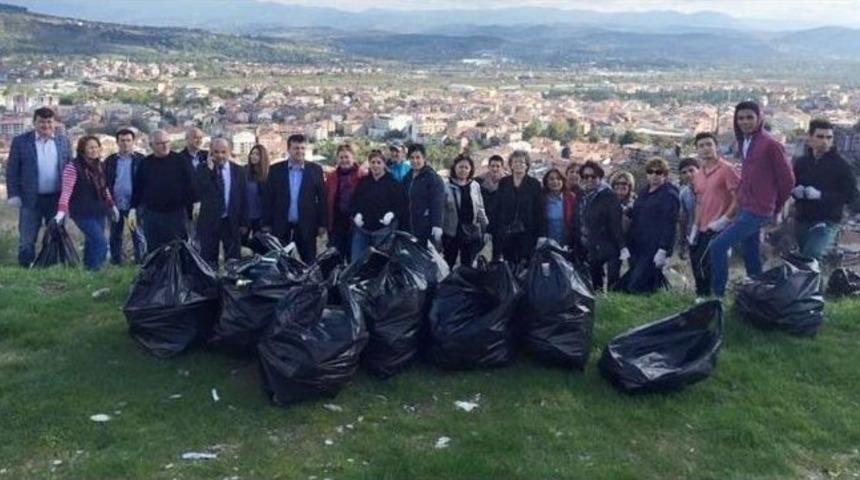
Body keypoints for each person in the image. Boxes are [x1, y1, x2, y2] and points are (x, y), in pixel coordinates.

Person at [709, 101, 795, 297]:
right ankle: (758, 295)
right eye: (740, 118)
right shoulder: (745, 142)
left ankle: (717, 296)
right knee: (751, 252)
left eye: (749, 117)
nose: (745, 122)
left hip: (759, 209)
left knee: (718, 246)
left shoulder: (771, 144)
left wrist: (776, 206)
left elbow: (788, 180)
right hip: (748, 206)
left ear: (759, 118)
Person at [5, 107, 73, 267]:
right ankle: (25, 268)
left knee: (56, 236)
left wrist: (70, 195)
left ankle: (49, 268)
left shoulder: (63, 141)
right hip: (30, 200)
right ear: (34, 122)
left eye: (49, 121)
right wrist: (13, 194)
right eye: (41, 122)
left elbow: (70, 169)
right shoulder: (21, 142)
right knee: (27, 239)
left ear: (54, 123)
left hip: (57, 199)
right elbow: (12, 170)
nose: (45, 125)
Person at [792, 119, 860, 259]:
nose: (825, 141)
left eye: (829, 137)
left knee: (811, 255)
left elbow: (851, 195)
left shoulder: (841, 166)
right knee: (804, 260)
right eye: (820, 136)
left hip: (827, 220)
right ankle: (820, 281)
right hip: (803, 218)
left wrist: (820, 195)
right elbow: (790, 184)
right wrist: (794, 192)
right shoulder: (801, 163)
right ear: (810, 138)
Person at [55, 136, 119, 271]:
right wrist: (61, 211)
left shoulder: (100, 166)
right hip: (81, 212)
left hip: (99, 210)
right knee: (100, 242)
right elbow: (66, 191)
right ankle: (96, 270)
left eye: (96, 147)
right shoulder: (73, 167)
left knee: (91, 242)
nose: (94, 150)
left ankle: (87, 271)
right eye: (90, 147)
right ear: (82, 149)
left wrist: (112, 205)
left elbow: (104, 189)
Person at [127, 130, 197, 253]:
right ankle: (157, 272)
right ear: (151, 145)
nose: (165, 146)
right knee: (155, 249)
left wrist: (196, 202)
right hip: (153, 215)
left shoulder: (180, 160)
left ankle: (179, 272)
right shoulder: (145, 163)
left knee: (179, 247)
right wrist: (133, 209)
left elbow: (191, 184)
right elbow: (138, 188)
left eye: (167, 142)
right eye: (160, 143)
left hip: (176, 213)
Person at [262, 134, 327, 263]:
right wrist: (266, 223)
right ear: (289, 149)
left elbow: (322, 199)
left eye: (303, 148)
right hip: (281, 225)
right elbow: (268, 198)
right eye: (296, 148)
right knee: (280, 262)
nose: (300, 152)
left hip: (307, 225)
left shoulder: (315, 170)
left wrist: (322, 224)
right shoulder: (276, 170)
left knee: (309, 263)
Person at [690, 132, 740, 298]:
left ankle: (708, 296)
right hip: (703, 225)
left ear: (716, 147)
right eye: (701, 146)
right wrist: (695, 226)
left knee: (703, 260)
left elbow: (738, 197)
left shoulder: (727, 169)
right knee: (696, 260)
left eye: (709, 144)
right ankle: (703, 296)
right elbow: (699, 201)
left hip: (720, 226)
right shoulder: (698, 175)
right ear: (696, 149)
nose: (705, 149)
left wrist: (724, 219)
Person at [622, 158, 680, 294]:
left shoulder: (669, 195)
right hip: (636, 245)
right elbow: (637, 211)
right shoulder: (645, 191)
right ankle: (657, 301)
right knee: (644, 282)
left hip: (653, 248)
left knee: (635, 285)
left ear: (665, 175)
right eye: (650, 171)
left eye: (658, 172)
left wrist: (663, 249)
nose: (654, 175)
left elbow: (670, 224)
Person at [572, 161, 625, 291]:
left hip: (608, 245)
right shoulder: (581, 195)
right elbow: (577, 220)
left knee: (612, 284)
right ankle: (600, 309)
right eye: (585, 176)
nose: (589, 179)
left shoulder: (609, 196)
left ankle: (614, 308)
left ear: (600, 177)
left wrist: (622, 247)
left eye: (593, 176)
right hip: (589, 246)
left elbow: (615, 223)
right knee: (595, 285)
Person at [194, 138, 248, 268]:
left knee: (234, 260)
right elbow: (200, 191)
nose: (220, 156)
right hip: (209, 222)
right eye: (216, 152)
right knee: (208, 260)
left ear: (229, 152)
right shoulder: (202, 170)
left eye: (223, 152)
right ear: (211, 152)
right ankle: (210, 286)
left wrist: (244, 222)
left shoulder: (239, 171)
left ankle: (233, 286)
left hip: (231, 221)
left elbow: (243, 198)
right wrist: (210, 170)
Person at [350, 150, 404, 260]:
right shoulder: (363, 182)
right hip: (363, 231)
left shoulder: (393, 183)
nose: (375, 165)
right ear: (369, 163)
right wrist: (356, 214)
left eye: (379, 162)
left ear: (384, 164)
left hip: (383, 232)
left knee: (379, 265)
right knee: (357, 262)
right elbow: (354, 201)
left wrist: (392, 214)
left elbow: (401, 205)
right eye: (373, 162)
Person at [493, 150, 545, 265]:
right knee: (508, 266)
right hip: (507, 233)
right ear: (511, 165)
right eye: (515, 162)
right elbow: (497, 207)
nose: (518, 165)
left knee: (525, 267)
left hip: (527, 234)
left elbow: (539, 211)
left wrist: (541, 235)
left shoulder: (534, 184)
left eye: (522, 162)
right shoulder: (504, 182)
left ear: (527, 166)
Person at [104, 128, 146, 265]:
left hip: (135, 204)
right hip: (115, 204)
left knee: (138, 235)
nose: (125, 143)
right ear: (117, 142)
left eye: (128, 140)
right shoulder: (110, 161)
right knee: (115, 234)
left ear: (133, 141)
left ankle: (141, 263)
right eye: (122, 141)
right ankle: (116, 263)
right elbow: (104, 182)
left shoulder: (141, 160)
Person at [441, 154, 490, 267]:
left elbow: (480, 208)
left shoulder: (474, 186)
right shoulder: (446, 186)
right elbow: (441, 210)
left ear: (470, 170)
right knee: (448, 263)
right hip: (451, 232)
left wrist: (485, 227)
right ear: (455, 168)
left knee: (467, 264)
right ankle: (448, 284)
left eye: (466, 167)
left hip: (470, 232)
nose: (463, 170)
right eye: (460, 167)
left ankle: (463, 284)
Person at [325, 143, 365, 259]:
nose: (344, 160)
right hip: (337, 223)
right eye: (341, 157)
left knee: (353, 257)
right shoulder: (331, 177)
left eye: (347, 157)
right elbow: (326, 198)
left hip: (356, 224)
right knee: (334, 257)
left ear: (353, 157)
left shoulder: (362, 175)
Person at [402, 143, 445, 248]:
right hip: (409, 225)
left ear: (424, 158)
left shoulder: (432, 178)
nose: (415, 160)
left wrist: (437, 225)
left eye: (418, 157)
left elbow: (437, 202)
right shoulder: (407, 177)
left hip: (426, 227)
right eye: (412, 157)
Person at [608, 170, 636, 284]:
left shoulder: (636, 202)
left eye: (624, 184)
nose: (620, 186)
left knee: (634, 270)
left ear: (630, 186)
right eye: (617, 184)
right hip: (614, 242)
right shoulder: (608, 202)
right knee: (613, 273)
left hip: (632, 241)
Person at [476, 154, 505, 257]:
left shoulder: (507, 183)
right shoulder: (478, 182)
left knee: (498, 255)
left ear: (502, 168)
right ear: (488, 167)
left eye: (498, 166)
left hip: (500, 224)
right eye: (492, 166)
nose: (495, 169)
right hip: (482, 222)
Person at [242, 144, 270, 246]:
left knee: (259, 248)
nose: (253, 156)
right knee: (242, 248)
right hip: (246, 218)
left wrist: (267, 222)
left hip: (261, 220)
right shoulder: (243, 172)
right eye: (252, 153)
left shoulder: (269, 175)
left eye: (257, 154)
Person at [542, 168, 575, 248]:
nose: (555, 182)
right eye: (551, 179)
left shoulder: (571, 198)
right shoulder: (541, 200)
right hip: (547, 245)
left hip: (567, 245)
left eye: (558, 179)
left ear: (563, 181)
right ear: (546, 182)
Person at [677, 157, 700, 260]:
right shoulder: (683, 194)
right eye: (684, 172)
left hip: (713, 236)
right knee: (698, 272)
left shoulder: (710, 189)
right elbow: (683, 220)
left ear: (699, 170)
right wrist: (682, 245)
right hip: (693, 238)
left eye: (691, 170)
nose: (688, 174)